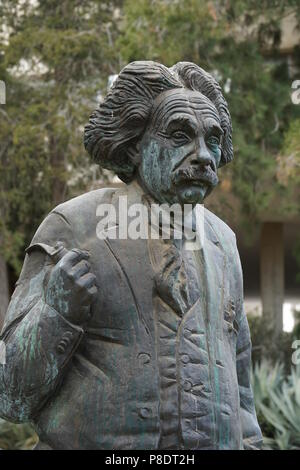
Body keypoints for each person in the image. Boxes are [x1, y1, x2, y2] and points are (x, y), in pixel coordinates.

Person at [0, 61, 262, 450]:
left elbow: (239, 376)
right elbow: (10, 395)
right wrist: (56, 311)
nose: (204, 155)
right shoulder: (74, 226)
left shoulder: (223, 242)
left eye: (212, 139)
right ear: (136, 144)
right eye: (180, 136)